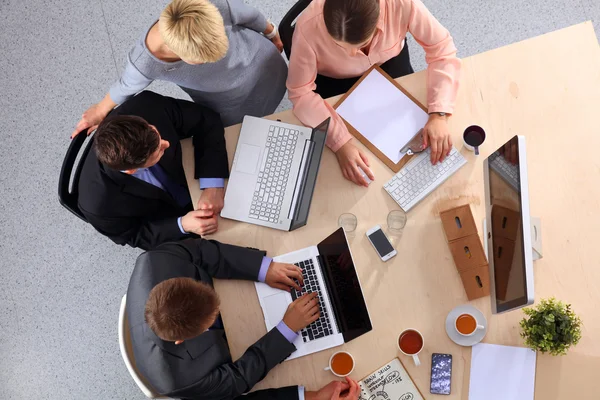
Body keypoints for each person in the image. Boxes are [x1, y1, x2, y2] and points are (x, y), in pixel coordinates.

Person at [127, 237, 361, 399]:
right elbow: (238, 380)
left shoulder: (154, 260)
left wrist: (263, 269)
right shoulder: (179, 380)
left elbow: (203, 251)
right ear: (182, 341)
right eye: (211, 318)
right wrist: (286, 330)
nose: (220, 310)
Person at [287, 0, 462, 187]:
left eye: (361, 44)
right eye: (340, 46)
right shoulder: (307, 28)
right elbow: (300, 92)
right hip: (336, 80)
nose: (352, 54)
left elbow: (442, 50)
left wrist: (439, 114)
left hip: (388, 60)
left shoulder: (402, 4)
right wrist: (340, 143)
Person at [72, 0, 287, 137]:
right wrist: (100, 111)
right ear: (177, 51)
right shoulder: (146, 63)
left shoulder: (211, 6)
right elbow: (125, 86)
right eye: (203, 59)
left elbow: (252, 16)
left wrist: (272, 34)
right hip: (231, 103)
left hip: (266, 65)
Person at [78, 91, 228, 250]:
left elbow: (206, 120)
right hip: (172, 218)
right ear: (131, 170)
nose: (166, 144)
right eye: (158, 151)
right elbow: (136, 236)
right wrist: (182, 225)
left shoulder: (146, 106)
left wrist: (213, 185)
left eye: (155, 133)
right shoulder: (98, 206)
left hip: (198, 171)